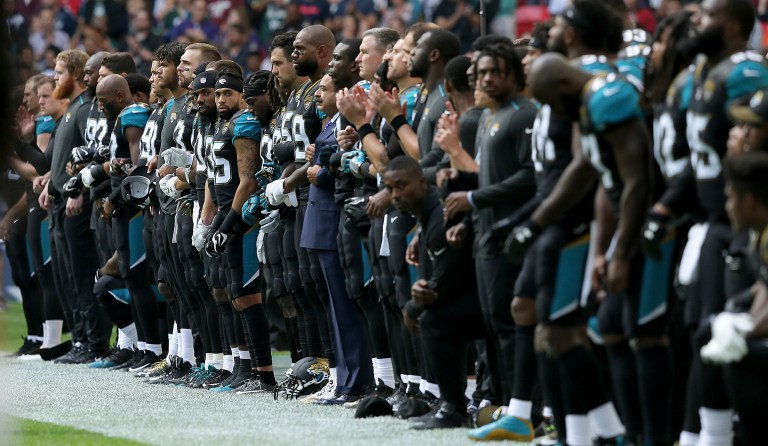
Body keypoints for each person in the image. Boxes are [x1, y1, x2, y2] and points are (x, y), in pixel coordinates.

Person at [645, 1, 768, 443]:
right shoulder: (699, 72)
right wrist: (665, 207)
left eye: (707, 15)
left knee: (733, 337)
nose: (696, 21)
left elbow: (746, 155)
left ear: (732, 24)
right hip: (710, 217)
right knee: (702, 334)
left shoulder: (747, 72)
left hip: (747, 220)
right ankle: (698, 434)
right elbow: (702, 163)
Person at [383, 155, 485, 430]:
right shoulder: (427, 214)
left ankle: (453, 406)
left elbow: (447, 282)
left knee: (431, 320)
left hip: (489, 301)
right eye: (390, 189)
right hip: (477, 294)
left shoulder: (441, 217)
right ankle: (453, 402)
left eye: (401, 186)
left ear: (422, 183)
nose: (395, 195)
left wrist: (414, 307)